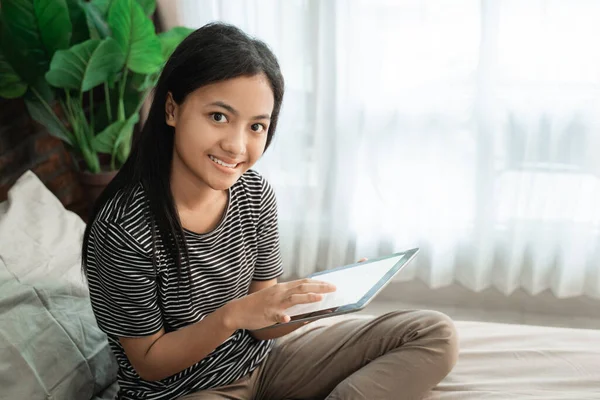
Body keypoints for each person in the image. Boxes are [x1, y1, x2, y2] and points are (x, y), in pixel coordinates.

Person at [82, 22, 459, 400]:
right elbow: (149, 361)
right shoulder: (124, 228)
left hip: (264, 366)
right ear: (171, 109)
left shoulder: (254, 194)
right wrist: (233, 316)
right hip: (184, 392)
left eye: (257, 126)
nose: (236, 145)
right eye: (218, 117)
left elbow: (262, 327)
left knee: (433, 333)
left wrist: (317, 302)